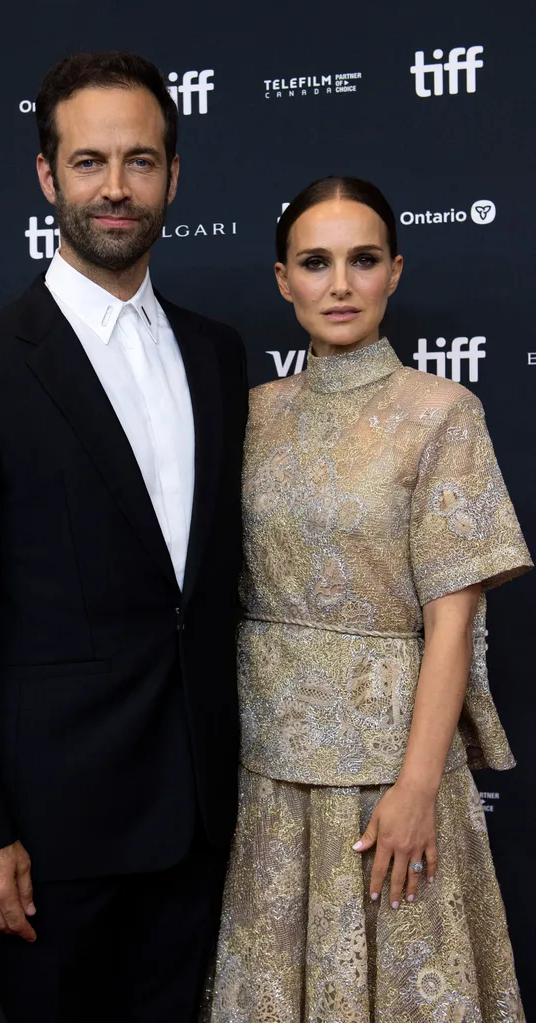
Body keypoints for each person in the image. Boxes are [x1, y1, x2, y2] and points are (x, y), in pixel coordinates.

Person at [0, 51, 248, 1023]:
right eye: (88, 162)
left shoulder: (219, 354)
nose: (116, 187)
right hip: (51, 843)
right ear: (48, 177)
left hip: (202, 822)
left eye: (140, 161)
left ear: (173, 177)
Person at [205, 177, 531, 1022]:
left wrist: (418, 785)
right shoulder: (250, 416)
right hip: (268, 780)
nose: (340, 284)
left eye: (363, 260)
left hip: (391, 777)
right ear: (284, 280)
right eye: (316, 263)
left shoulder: (443, 412)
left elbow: (452, 619)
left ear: (395, 272)